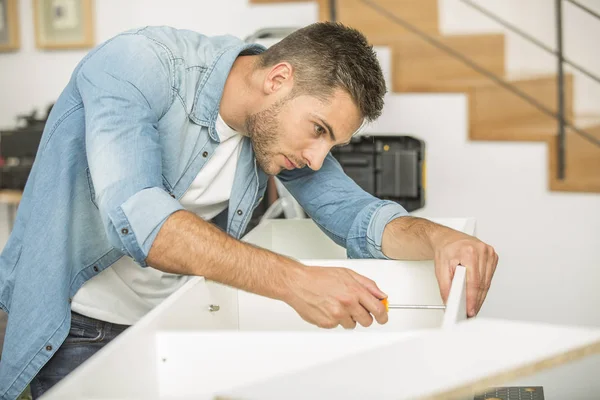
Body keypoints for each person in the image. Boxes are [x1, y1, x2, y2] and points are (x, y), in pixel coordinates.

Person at [0, 22, 498, 399]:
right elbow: (142, 220)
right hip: (76, 326)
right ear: (278, 78)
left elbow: (353, 212)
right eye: (320, 130)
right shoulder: (138, 64)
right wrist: (296, 282)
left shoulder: (276, 129)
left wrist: (439, 238)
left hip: (172, 321)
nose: (317, 157)